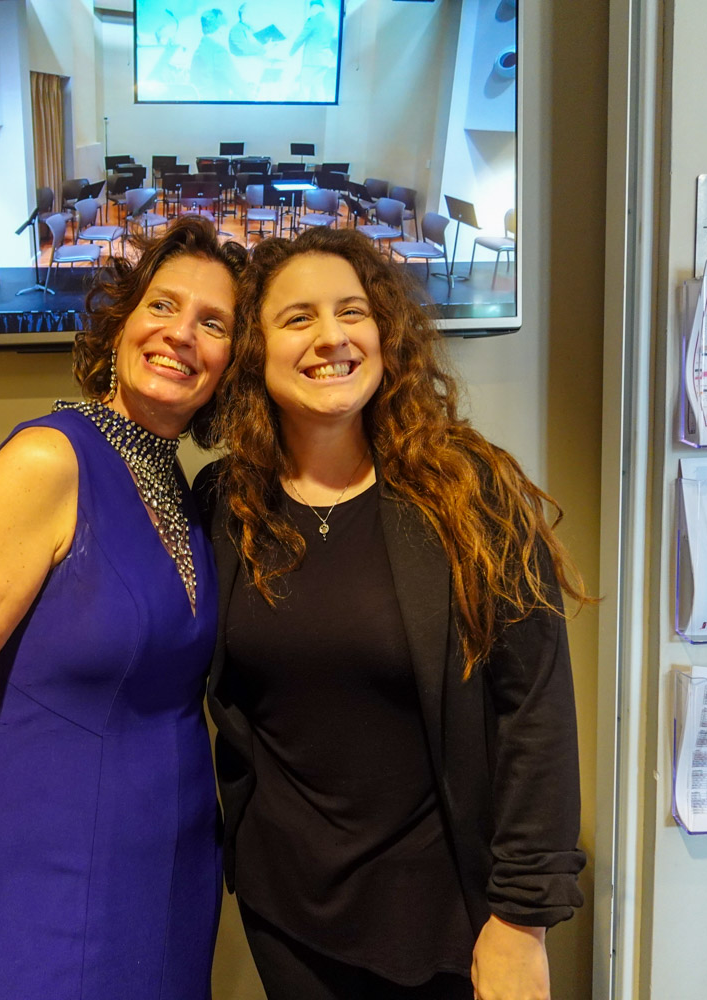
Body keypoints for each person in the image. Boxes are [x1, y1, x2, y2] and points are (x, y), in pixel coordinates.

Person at [195, 226, 588, 1000]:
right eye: (298, 318)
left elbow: (535, 712)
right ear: (255, 350)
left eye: (353, 311)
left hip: (449, 916)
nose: (332, 337)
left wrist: (523, 918)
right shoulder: (224, 504)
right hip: (287, 913)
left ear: (384, 333)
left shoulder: (468, 492)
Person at [0, 217, 247, 1000]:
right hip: (44, 883)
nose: (182, 335)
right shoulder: (45, 461)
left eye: (213, 324)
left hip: (171, 878)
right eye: (162, 306)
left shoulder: (180, 490)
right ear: (120, 324)